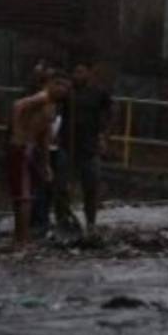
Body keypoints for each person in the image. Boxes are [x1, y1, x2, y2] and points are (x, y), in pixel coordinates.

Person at [8, 70, 71, 249]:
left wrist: (46, 164)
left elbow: (44, 137)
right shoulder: (42, 97)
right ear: (51, 83)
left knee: (26, 195)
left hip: (31, 149)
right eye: (59, 84)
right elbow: (17, 106)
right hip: (20, 147)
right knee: (23, 196)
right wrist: (17, 133)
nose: (63, 90)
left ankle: (22, 237)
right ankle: (20, 239)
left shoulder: (52, 106)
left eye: (67, 87)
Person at [60, 61, 113, 236]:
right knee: (63, 187)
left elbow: (110, 111)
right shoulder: (67, 93)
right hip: (67, 146)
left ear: (88, 73)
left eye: (81, 71)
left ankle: (91, 223)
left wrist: (104, 135)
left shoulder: (98, 93)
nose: (77, 75)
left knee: (91, 187)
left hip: (89, 148)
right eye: (75, 72)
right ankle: (64, 221)